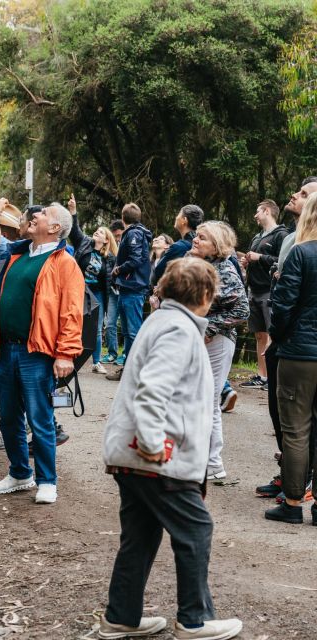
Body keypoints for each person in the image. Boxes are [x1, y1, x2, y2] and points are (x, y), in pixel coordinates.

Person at [98, 257, 242, 640]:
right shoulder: (179, 329)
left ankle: (121, 616)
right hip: (156, 457)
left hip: (134, 455)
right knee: (196, 529)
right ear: (207, 296)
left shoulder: (161, 321)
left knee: (141, 535)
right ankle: (195, 620)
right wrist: (151, 444)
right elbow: (153, 391)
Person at [0, 202, 84, 504]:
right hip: (7, 349)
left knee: (40, 418)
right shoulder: (19, 255)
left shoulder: (64, 263)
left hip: (37, 352)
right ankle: (19, 473)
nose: (35, 214)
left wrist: (65, 353)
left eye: (44, 214)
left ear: (54, 228)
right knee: (8, 416)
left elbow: (71, 312)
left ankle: (47, 480)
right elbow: (2, 301)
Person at [256, 178, 317, 500]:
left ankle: (295, 495)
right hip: (296, 345)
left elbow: (284, 304)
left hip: (297, 348)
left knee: (295, 425)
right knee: (296, 424)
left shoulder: (302, 251)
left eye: (305, 195)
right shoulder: (292, 241)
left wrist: (278, 336)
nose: (297, 196)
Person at [189, 221, 249, 480]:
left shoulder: (225, 271)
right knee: (195, 399)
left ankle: (213, 463)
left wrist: (208, 328)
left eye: (202, 238)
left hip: (218, 342)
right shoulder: (199, 265)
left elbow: (242, 310)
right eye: (196, 235)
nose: (195, 240)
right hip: (196, 340)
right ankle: (198, 458)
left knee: (209, 401)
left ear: (216, 245)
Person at [239, 199, 289, 390]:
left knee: (271, 335)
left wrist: (260, 257)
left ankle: (274, 378)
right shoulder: (257, 237)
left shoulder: (282, 235)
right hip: (254, 290)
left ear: (267, 211)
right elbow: (254, 259)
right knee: (260, 335)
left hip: (270, 290)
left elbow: (283, 260)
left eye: (258, 211)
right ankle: (262, 376)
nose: (255, 215)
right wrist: (246, 261)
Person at [67, 194, 117, 374]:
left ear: (106, 240)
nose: (97, 231)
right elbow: (75, 230)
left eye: (102, 232)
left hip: (97, 295)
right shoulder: (84, 244)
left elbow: (111, 278)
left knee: (96, 329)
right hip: (77, 290)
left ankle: (96, 362)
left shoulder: (110, 258)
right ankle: (70, 358)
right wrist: (73, 211)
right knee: (73, 324)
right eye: (97, 230)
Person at [105, 205, 152, 381]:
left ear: (123, 218)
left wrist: (118, 269)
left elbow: (136, 258)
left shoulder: (134, 233)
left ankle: (137, 371)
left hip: (133, 286)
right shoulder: (135, 232)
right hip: (127, 287)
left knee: (133, 331)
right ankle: (128, 368)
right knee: (126, 331)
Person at [101, 219, 127, 364]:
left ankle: (125, 354)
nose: (118, 239)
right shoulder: (110, 251)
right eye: (115, 236)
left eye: (119, 235)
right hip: (112, 291)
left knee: (125, 324)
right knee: (110, 323)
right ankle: (112, 353)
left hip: (124, 290)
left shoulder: (129, 246)